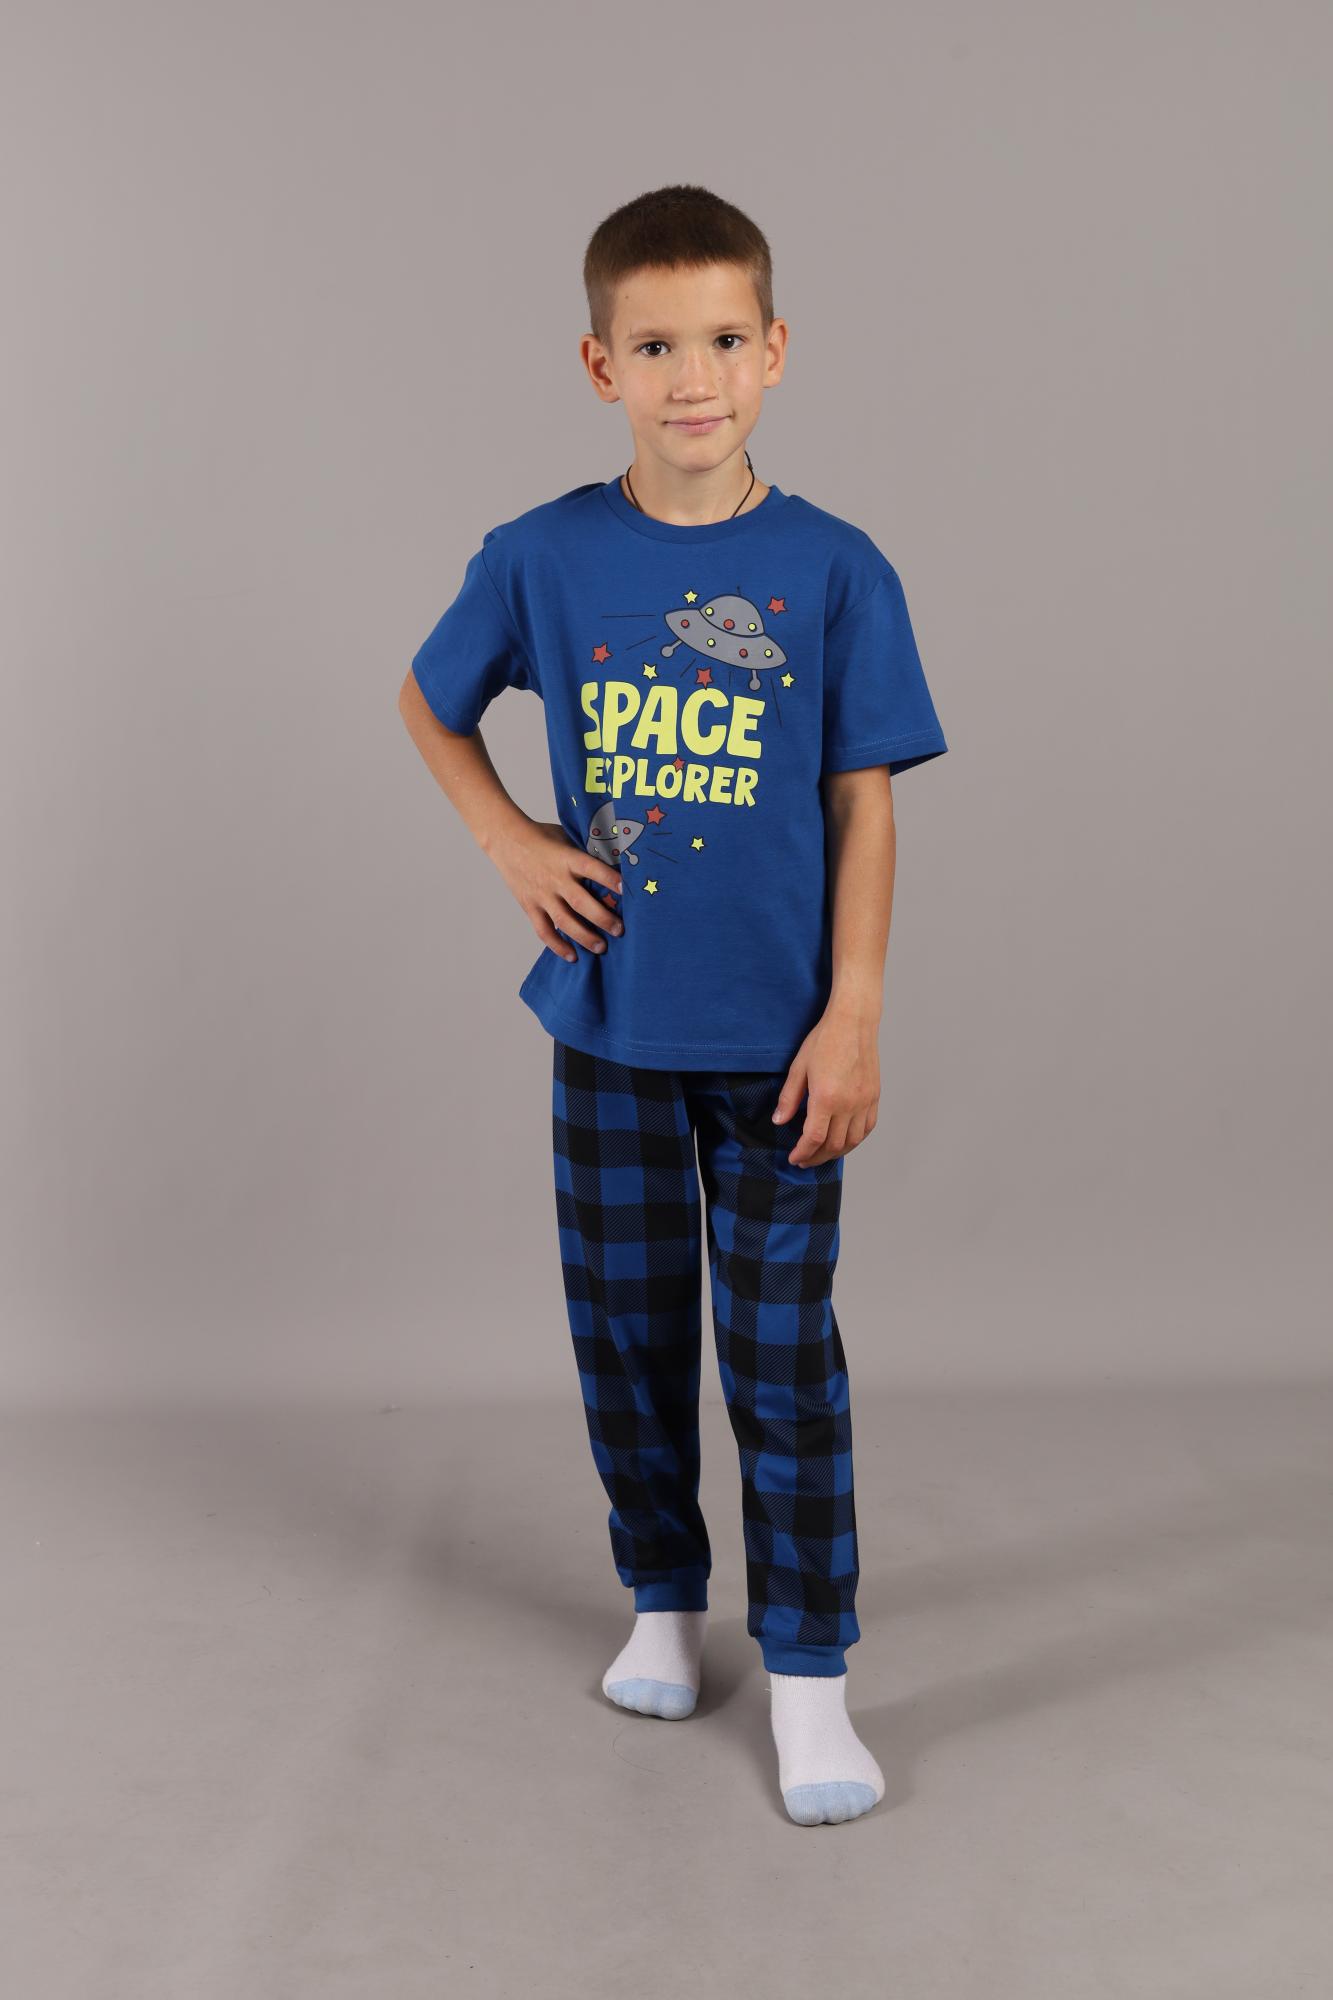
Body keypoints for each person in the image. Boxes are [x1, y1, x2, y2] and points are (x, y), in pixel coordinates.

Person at [398, 183, 948, 1826]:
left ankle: (809, 1674)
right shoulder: (543, 556)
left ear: (773, 351)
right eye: (653, 347)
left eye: (720, 341)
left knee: (780, 1359)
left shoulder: (833, 569)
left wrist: (854, 1014)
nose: (690, 377)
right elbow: (428, 703)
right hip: (610, 1032)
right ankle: (661, 1597)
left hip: (782, 1047)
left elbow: (863, 805)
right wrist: (508, 839)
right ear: (599, 366)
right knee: (627, 1339)